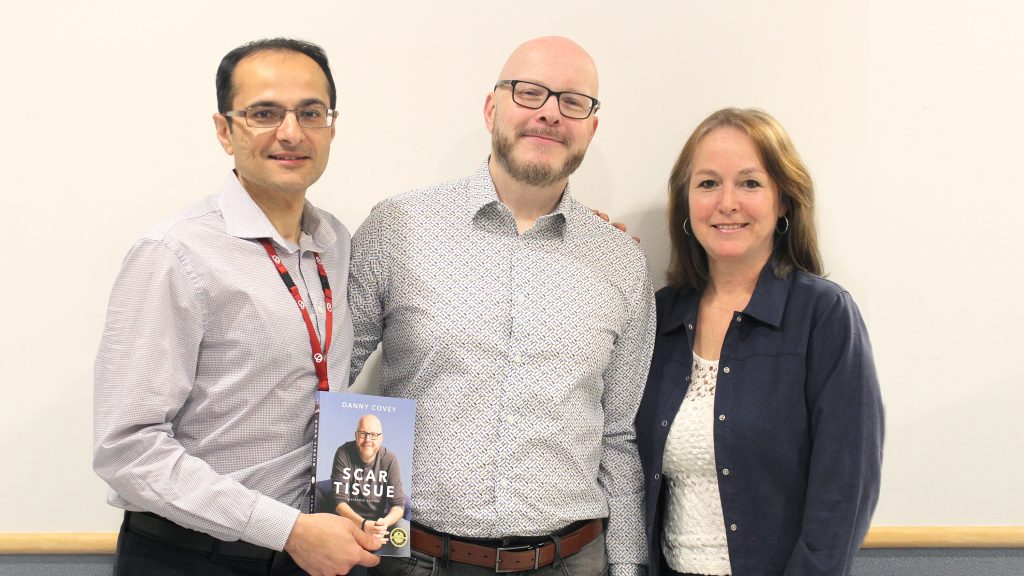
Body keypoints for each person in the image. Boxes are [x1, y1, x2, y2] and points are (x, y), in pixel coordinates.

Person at [348, 36, 655, 576]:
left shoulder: (621, 262)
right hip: (416, 558)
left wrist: (629, 568)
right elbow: (323, 380)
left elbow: (618, 438)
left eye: (572, 102)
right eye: (529, 92)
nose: (549, 114)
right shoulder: (398, 229)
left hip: (572, 560)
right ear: (492, 108)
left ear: (591, 127)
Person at [93, 38, 381, 576]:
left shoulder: (335, 243)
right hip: (192, 556)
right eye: (264, 114)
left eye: (310, 113)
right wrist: (287, 529)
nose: (291, 133)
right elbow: (126, 450)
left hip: (314, 554)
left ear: (331, 128)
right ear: (225, 131)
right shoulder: (174, 255)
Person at [635, 108, 884, 576]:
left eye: (750, 183)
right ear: (686, 203)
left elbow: (845, 491)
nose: (727, 202)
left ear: (784, 201)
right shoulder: (658, 315)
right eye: (708, 184)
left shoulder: (824, 315)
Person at [332, 414, 406, 541]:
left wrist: (383, 524)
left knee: (404, 532)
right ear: (356, 435)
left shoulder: (390, 460)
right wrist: (363, 525)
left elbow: (398, 505)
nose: (368, 439)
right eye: (363, 434)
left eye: (373, 435)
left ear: (381, 438)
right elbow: (339, 502)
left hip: (379, 521)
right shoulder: (343, 453)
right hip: (348, 520)